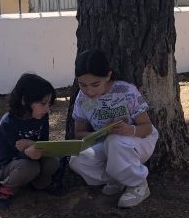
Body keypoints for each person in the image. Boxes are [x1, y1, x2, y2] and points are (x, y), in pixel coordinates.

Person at [67, 49, 158, 209]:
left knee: (114, 141)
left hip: (138, 141)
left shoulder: (126, 91)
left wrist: (130, 130)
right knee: (77, 161)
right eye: (82, 85)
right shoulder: (82, 98)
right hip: (106, 142)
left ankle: (138, 184)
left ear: (108, 76)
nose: (89, 91)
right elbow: (79, 133)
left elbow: (147, 128)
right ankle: (119, 178)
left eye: (95, 84)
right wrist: (100, 133)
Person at [0, 72, 60, 210]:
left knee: (53, 161)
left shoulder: (42, 117)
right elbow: (18, 153)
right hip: (11, 165)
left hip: (34, 157)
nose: (47, 109)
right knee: (30, 167)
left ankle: (39, 184)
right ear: (25, 100)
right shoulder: (8, 123)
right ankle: (6, 190)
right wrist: (30, 150)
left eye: (49, 104)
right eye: (43, 103)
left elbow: (44, 142)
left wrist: (31, 145)